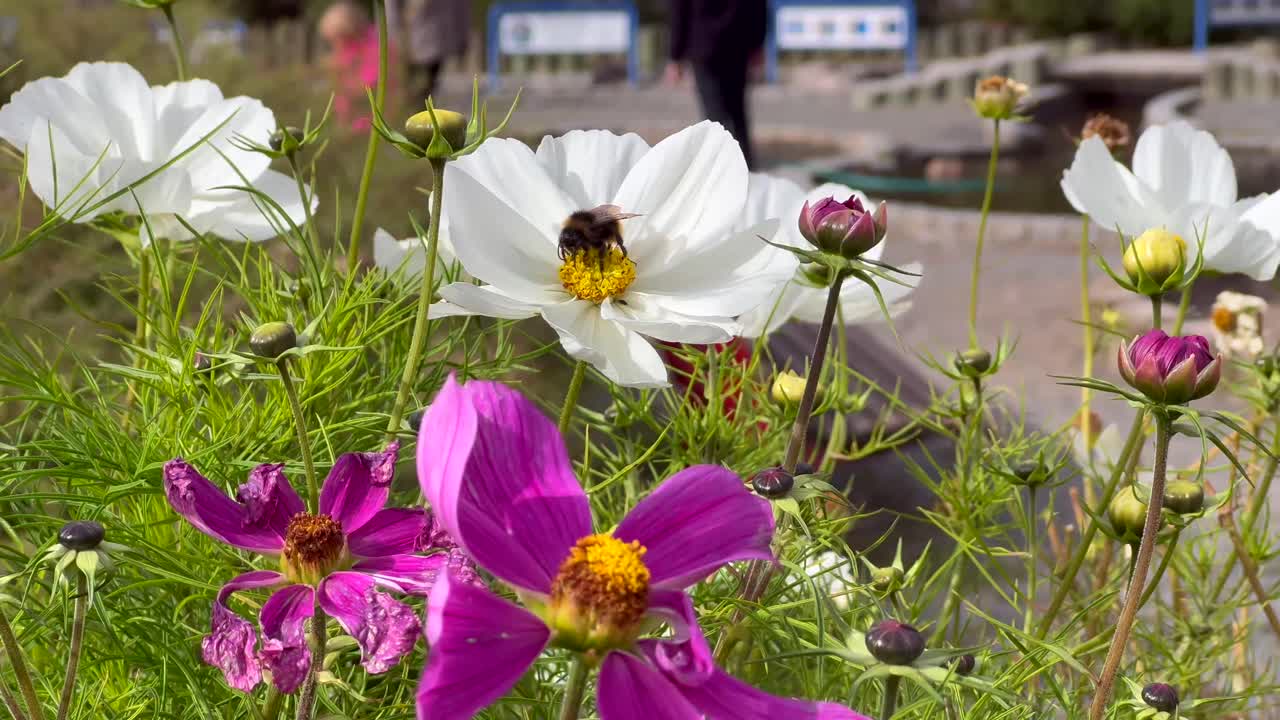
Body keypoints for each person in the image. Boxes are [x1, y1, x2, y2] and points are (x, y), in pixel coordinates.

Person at [665, 0, 767, 169]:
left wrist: (675, 56)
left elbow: (679, 10)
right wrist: (758, 43)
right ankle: (745, 163)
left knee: (715, 114)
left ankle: (723, 166)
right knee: (737, 111)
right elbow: (758, 6)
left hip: (704, 45)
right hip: (737, 41)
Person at [389, 0, 470, 106]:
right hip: (410, 43)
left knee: (424, 94)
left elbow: (462, 7)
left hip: (435, 44)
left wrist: (462, 40)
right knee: (413, 95)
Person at [319, 1, 382, 132]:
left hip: (369, 116)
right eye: (331, 41)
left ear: (351, 32)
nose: (336, 45)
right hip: (350, 114)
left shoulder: (374, 48)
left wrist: (343, 79)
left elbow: (370, 83)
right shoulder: (348, 47)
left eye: (338, 39)